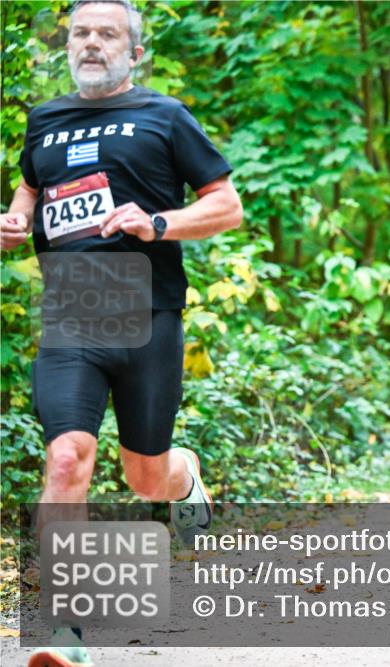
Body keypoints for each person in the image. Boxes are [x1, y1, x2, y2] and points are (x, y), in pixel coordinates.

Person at [0, 1, 242, 664]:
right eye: (80, 32)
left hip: (147, 313)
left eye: (108, 33)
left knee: (145, 477)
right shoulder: (45, 120)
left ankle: (185, 476)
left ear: (135, 53)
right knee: (67, 457)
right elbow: (32, 186)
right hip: (73, 313)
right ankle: (65, 631)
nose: (91, 43)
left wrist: (158, 223)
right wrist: (16, 219)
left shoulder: (165, 116)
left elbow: (227, 206)